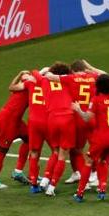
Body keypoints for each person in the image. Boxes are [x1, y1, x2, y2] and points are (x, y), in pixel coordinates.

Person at [71, 74, 109, 201]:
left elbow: (86, 118)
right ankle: (102, 190)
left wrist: (77, 109)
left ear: (98, 86)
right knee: (104, 160)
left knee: (89, 161)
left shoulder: (96, 100)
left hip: (101, 138)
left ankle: (79, 193)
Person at [33, 62, 74, 196]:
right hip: (67, 118)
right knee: (62, 155)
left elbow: (35, 74)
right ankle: (52, 187)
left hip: (51, 118)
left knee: (55, 151)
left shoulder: (44, 81)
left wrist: (44, 69)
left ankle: (45, 179)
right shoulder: (68, 81)